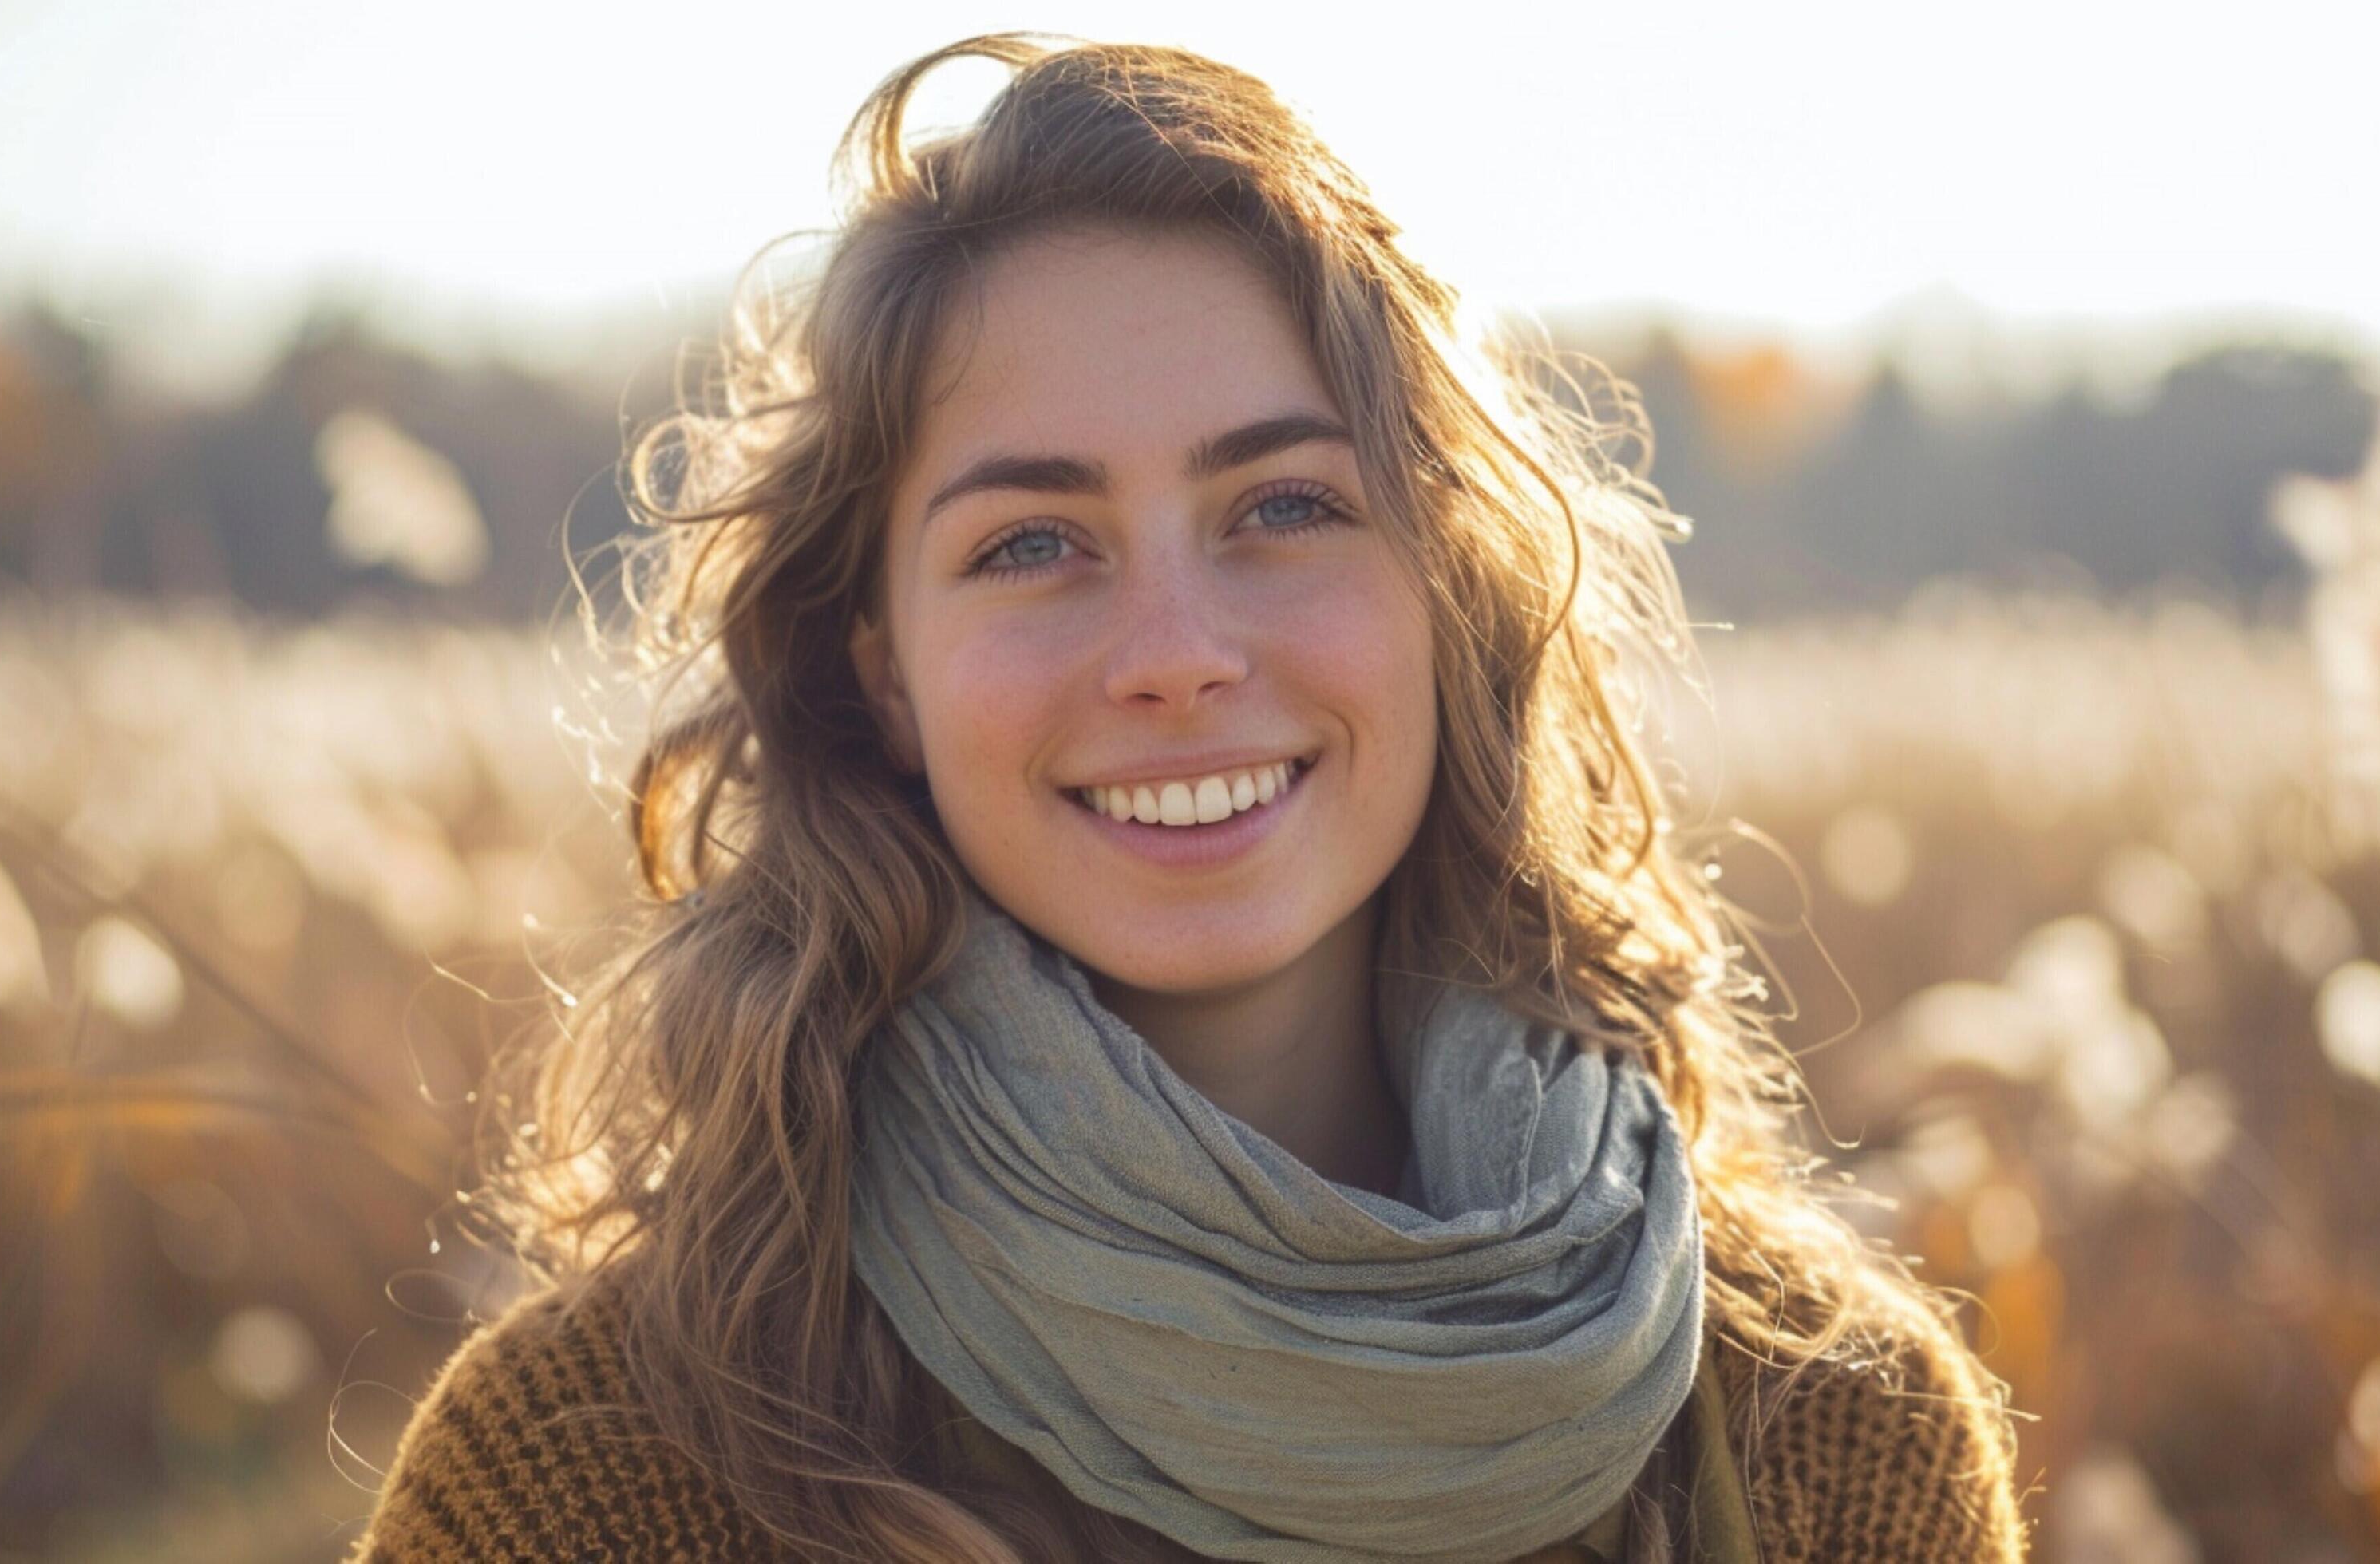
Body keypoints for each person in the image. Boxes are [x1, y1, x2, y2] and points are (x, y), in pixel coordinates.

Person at [345, 32, 2029, 1563]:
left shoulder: (1823, 1422)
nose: (1175, 653)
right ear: (883, 676)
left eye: (1283, 507)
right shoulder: (590, 1470)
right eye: (1029, 541)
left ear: (1445, 588)